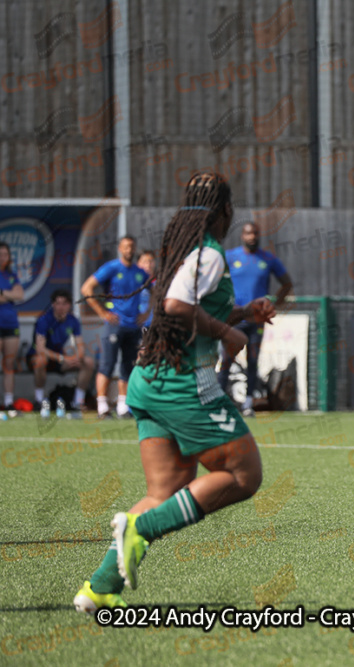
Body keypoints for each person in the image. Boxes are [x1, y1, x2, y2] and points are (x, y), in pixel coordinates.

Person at [74, 171, 275, 613]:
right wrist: (227, 332)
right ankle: (139, 531)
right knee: (244, 476)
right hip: (183, 383)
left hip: (151, 378)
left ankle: (99, 588)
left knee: (164, 493)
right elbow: (177, 308)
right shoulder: (211, 253)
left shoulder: (181, 248)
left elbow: (188, 307)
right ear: (225, 211)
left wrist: (242, 314)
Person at [217, 222, 293, 417]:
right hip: (233, 319)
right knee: (226, 360)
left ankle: (248, 404)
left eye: (255, 233)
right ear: (242, 235)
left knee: (253, 361)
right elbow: (215, 282)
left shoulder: (267, 259)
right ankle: (217, 403)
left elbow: (287, 283)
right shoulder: (230, 257)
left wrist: (274, 304)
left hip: (256, 320)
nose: (252, 237)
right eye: (248, 233)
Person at [81, 235, 148, 419]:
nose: (129, 250)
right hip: (114, 326)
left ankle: (122, 406)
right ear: (120, 248)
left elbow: (156, 290)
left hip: (132, 326)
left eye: (132, 247)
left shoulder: (139, 272)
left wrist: (147, 311)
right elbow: (87, 288)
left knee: (128, 366)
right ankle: (102, 406)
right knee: (107, 364)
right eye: (126, 247)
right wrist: (102, 313)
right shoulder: (112, 268)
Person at [28, 289, 95, 413]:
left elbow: (80, 345)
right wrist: (63, 358)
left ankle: (77, 402)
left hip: (60, 359)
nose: (60, 307)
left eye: (64, 303)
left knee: (88, 362)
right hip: (40, 357)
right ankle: (39, 400)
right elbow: (40, 348)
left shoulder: (72, 320)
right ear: (53, 304)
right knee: (40, 360)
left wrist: (77, 358)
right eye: (57, 303)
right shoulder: (44, 320)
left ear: (69, 305)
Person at [0, 242, 24, 410]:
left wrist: (2, 293)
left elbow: (20, 294)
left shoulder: (11, 275)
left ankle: (8, 401)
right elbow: (13, 294)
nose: (2, 257)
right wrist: (9, 295)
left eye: (5, 254)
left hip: (10, 323)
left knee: (9, 364)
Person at [136, 250, 157, 331]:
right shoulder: (133, 284)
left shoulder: (162, 283)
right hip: (138, 327)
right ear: (138, 264)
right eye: (144, 262)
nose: (148, 265)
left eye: (151, 261)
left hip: (156, 326)